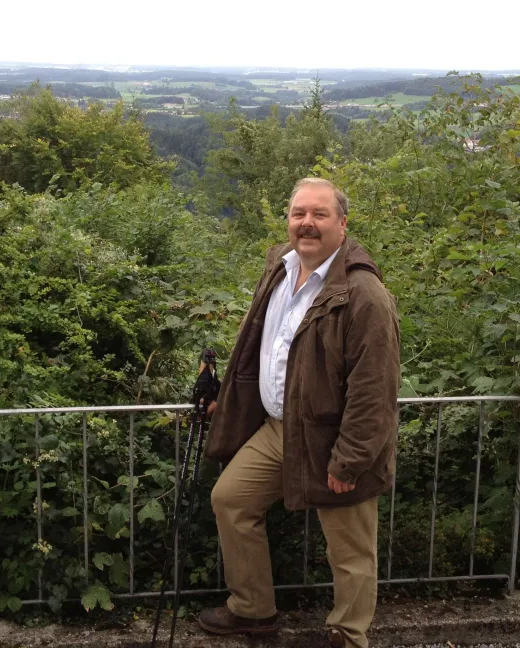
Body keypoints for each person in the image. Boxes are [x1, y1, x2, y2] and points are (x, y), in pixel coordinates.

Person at [198, 178, 401, 648]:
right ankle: (253, 610)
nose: (306, 223)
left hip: (335, 441)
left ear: (343, 224)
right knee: (231, 500)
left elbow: (375, 389)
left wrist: (350, 460)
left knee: (349, 550)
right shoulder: (280, 266)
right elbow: (259, 348)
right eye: (298, 213)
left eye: (319, 214)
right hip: (278, 430)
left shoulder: (364, 295)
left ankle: (348, 637)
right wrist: (225, 400)